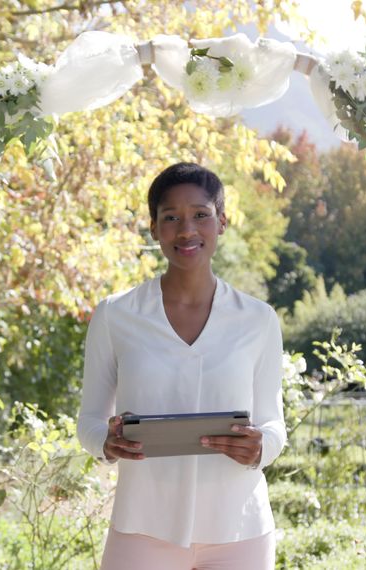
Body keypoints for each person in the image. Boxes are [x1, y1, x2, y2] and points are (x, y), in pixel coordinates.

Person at [77, 162, 287, 570]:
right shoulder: (116, 315)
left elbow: (274, 423)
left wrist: (262, 447)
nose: (186, 230)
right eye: (170, 217)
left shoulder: (258, 320)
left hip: (239, 530)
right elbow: (89, 420)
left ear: (221, 222)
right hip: (142, 527)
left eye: (200, 215)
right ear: (154, 229)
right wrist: (105, 442)